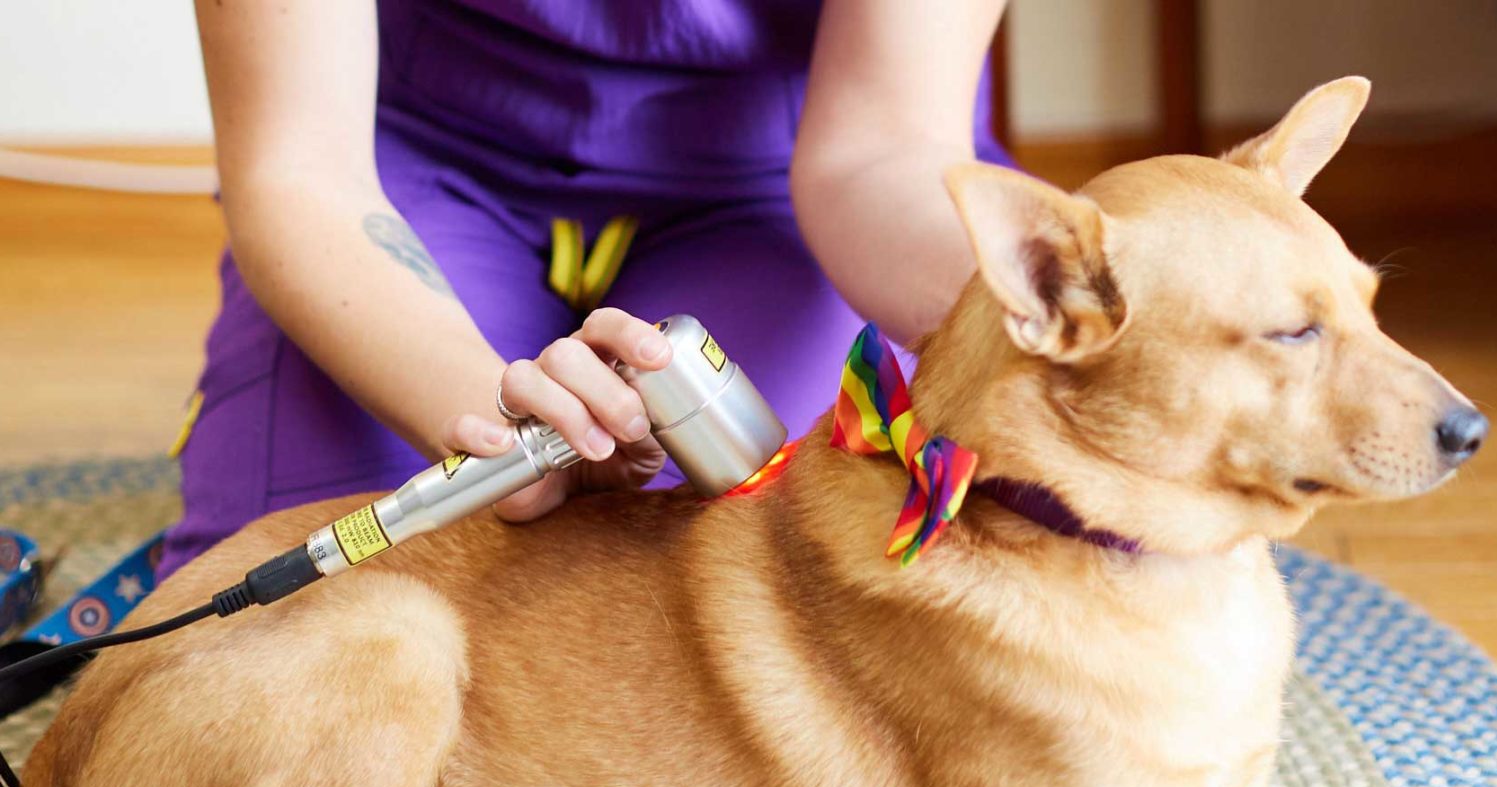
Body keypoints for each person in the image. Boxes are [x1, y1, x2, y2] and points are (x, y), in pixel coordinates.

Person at [163, 0, 1012, 577]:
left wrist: (1018, 315)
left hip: (794, 176)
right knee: (315, 609)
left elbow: (881, 146)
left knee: (790, 571)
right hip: (409, 157)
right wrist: (498, 433)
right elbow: (301, 164)